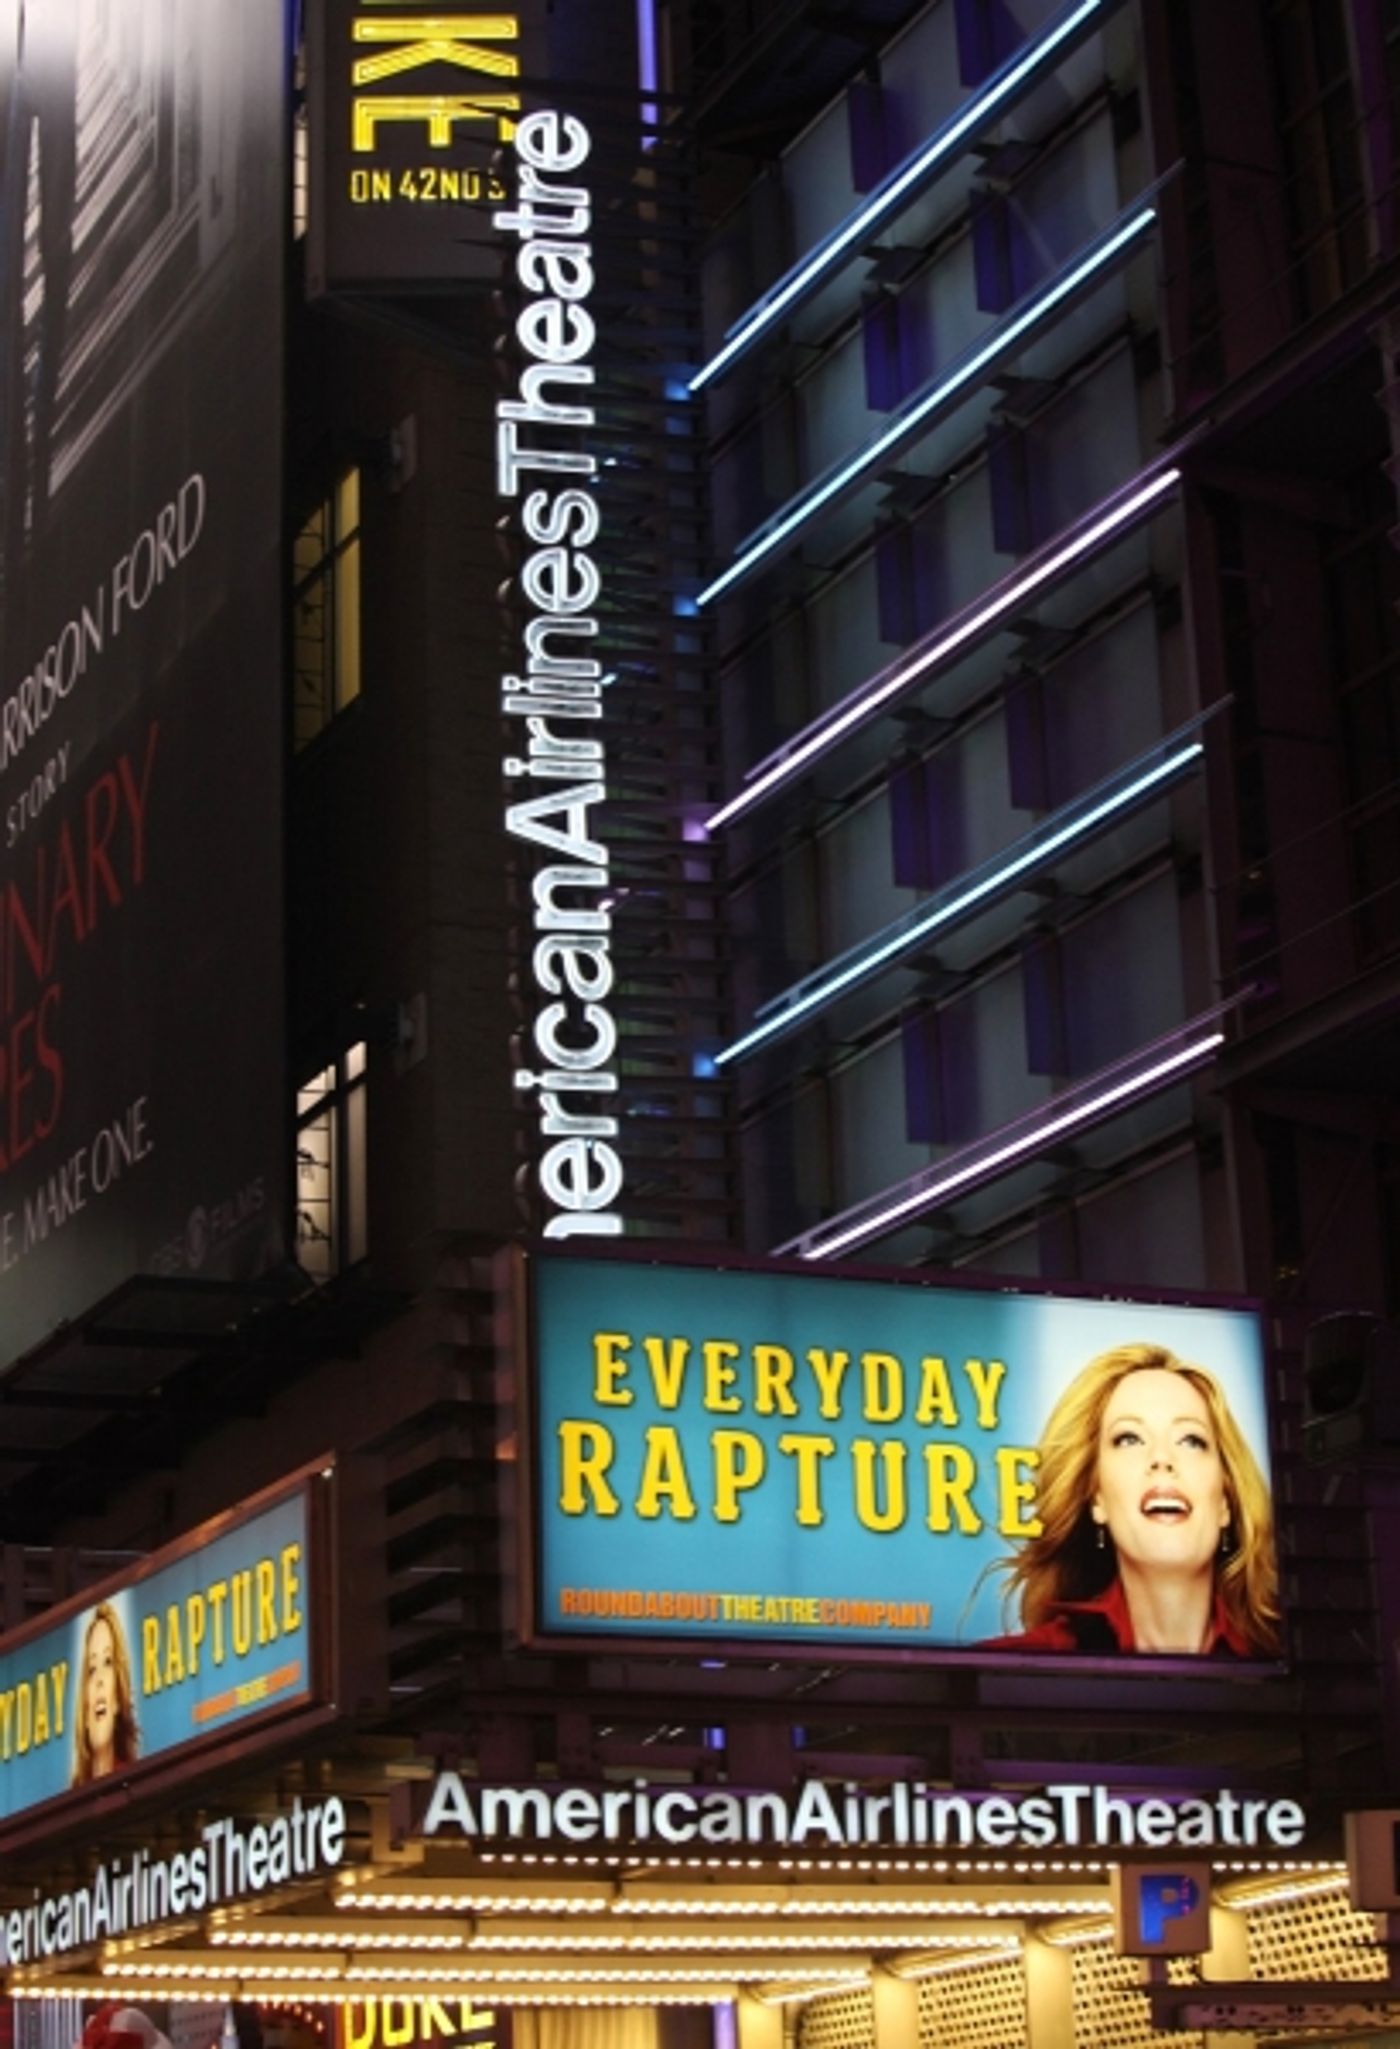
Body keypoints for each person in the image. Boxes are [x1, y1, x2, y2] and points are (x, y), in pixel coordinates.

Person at [984, 1342, 1280, 1657]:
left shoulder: (1285, 1655)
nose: (1162, 1458)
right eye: (1129, 1439)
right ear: (1097, 1499)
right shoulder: (1014, 1665)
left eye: (1191, 1440)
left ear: (1225, 1502)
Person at [72, 1600, 140, 1783]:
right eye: (92, 1669)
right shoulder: (71, 1793)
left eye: (108, 1662)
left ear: (117, 1698)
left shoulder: (136, 1781)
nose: (99, 1680)